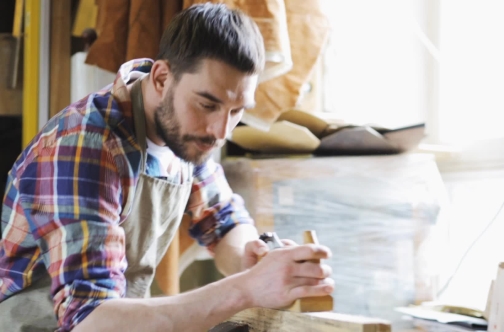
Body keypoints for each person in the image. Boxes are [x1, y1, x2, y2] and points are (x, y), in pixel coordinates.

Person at [0, 3, 334, 332]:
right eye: (208, 104)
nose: (220, 132)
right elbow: (91, 320)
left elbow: (224, 220)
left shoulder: (185, 131)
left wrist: (257, 259)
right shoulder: (84, 147)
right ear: (161, 78)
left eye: (236, 111)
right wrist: (246, 289)